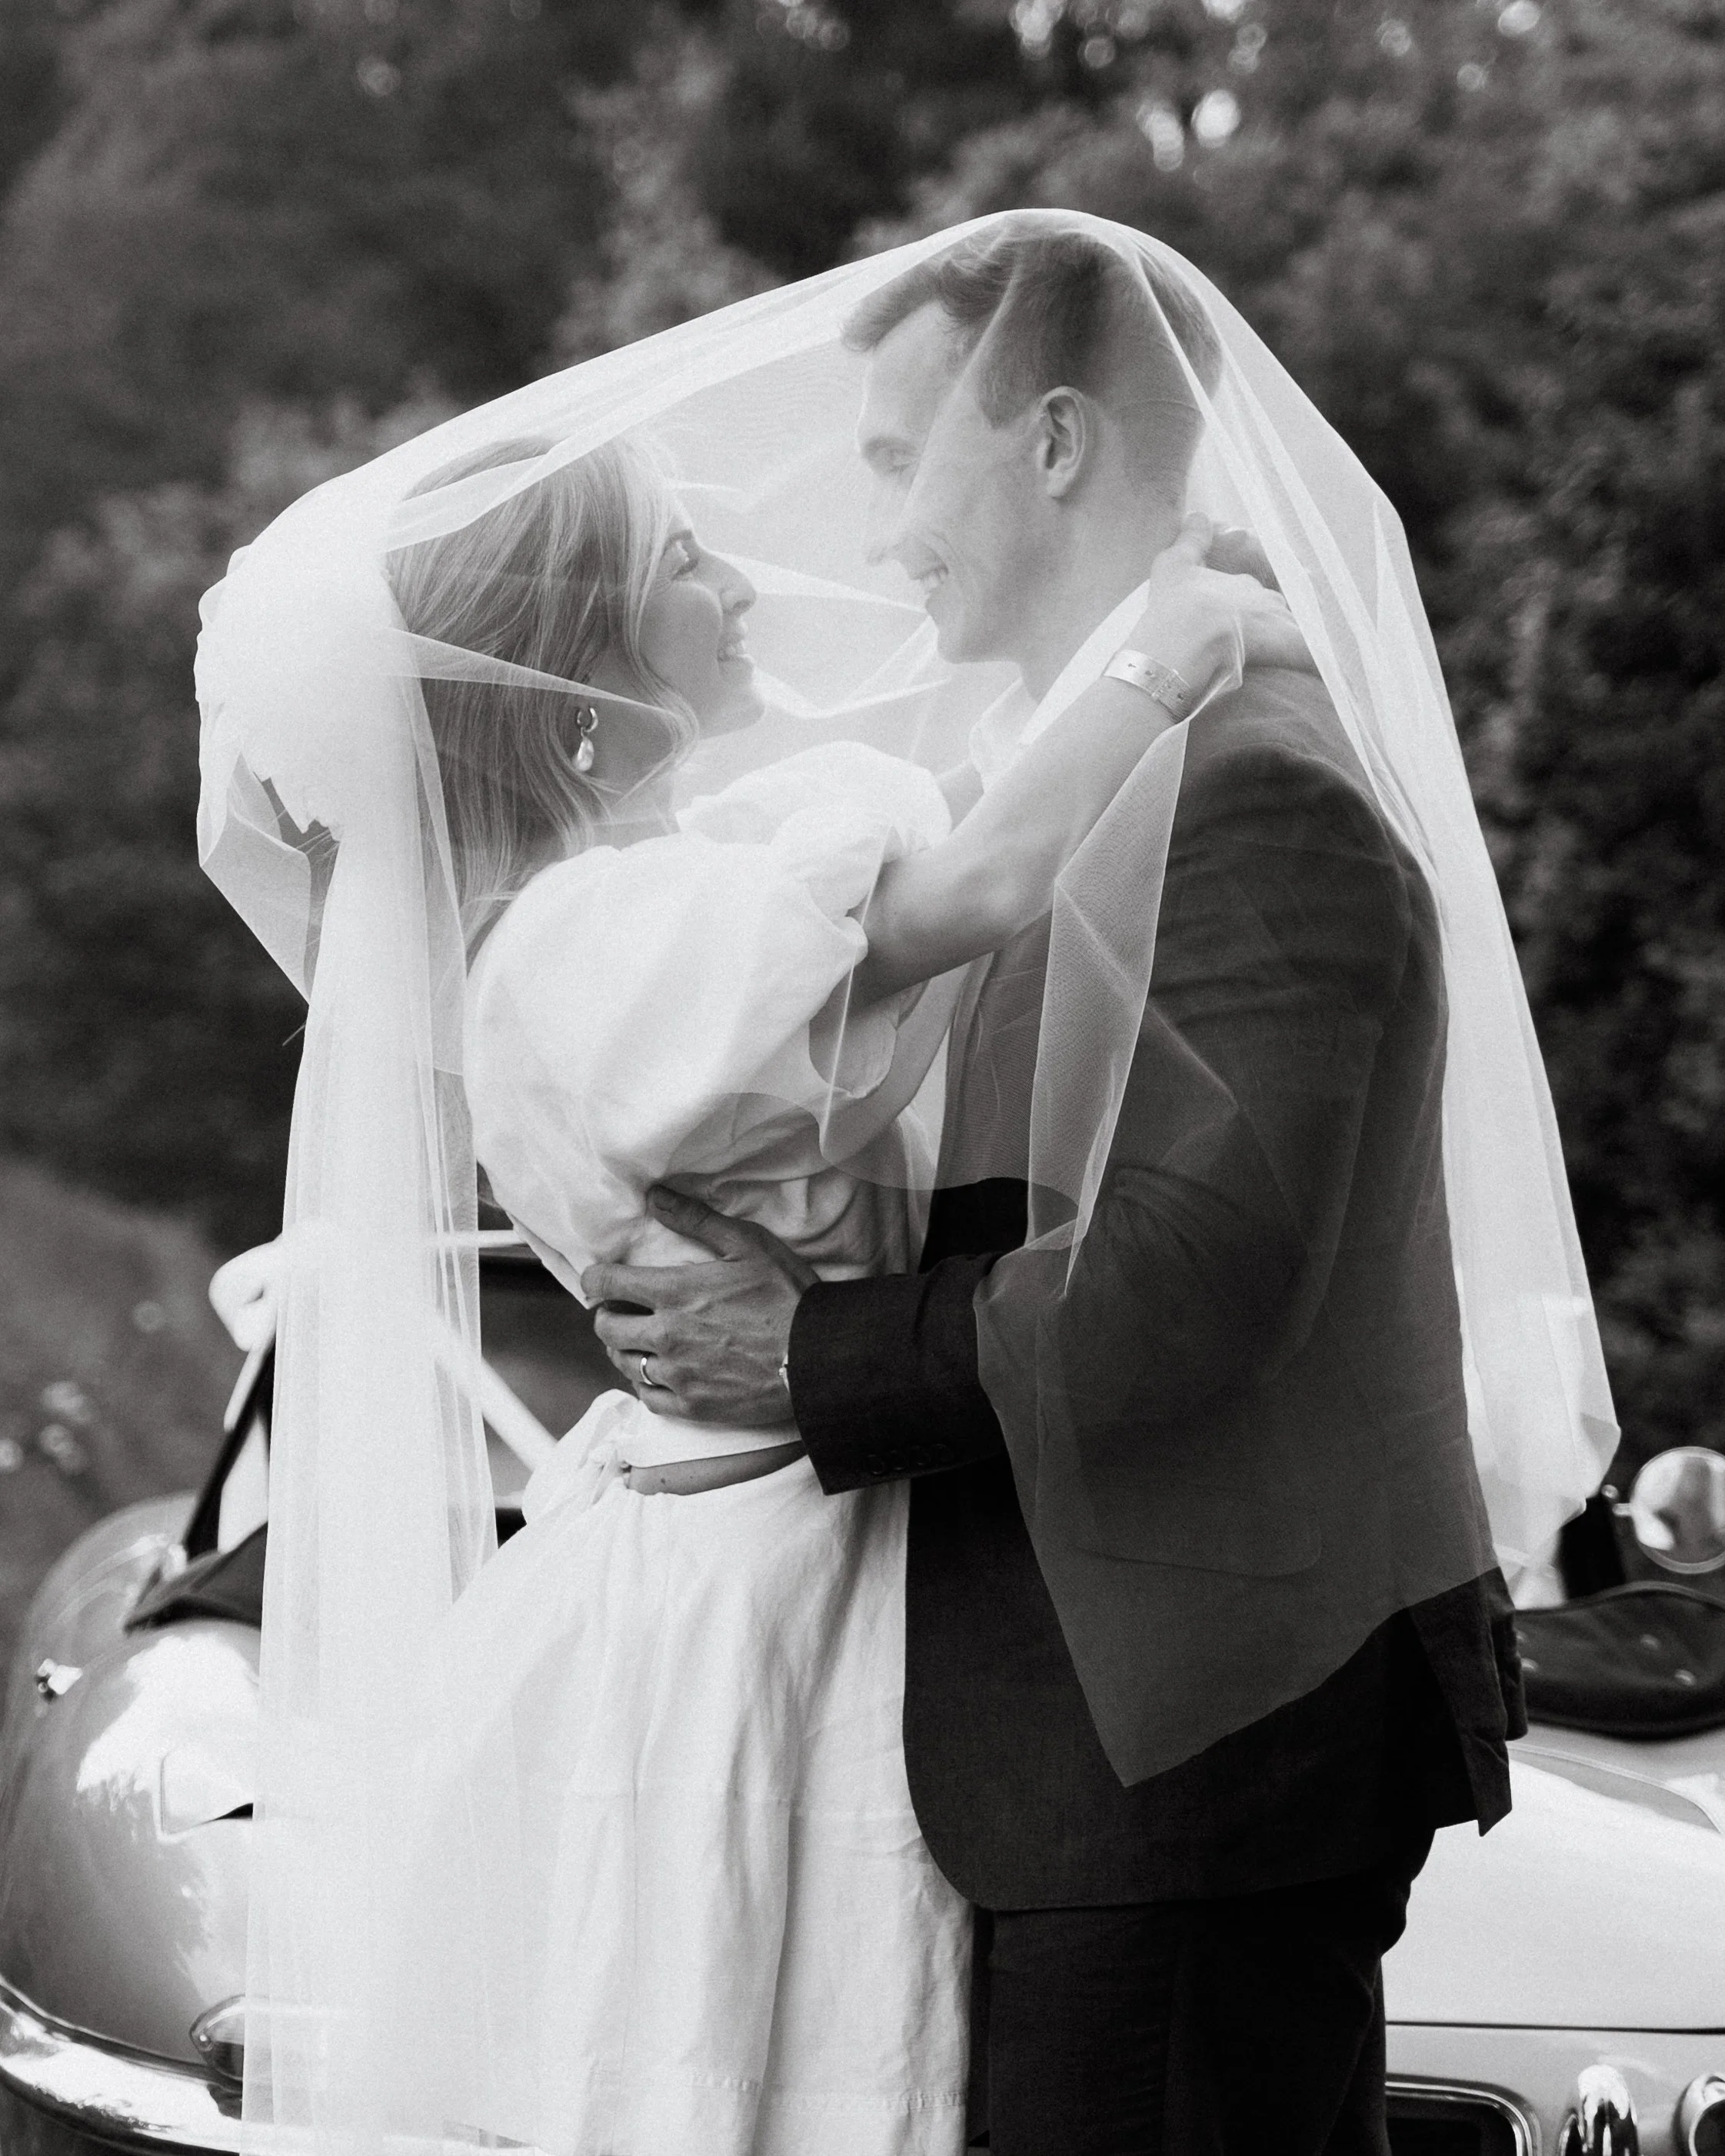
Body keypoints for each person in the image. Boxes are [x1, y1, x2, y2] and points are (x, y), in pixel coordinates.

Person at [576, 225, 1610, 2154]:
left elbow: (1188, 1278)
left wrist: (798, 1354)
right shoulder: (1063, 777)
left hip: (1194, 1752)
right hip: (1088, 1748)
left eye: (899, 462)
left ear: (1052, 441)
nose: (880, 535)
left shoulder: (1251, 783)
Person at [200, 414, 1296, 2154]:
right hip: (749, 1573)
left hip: (766, 1512)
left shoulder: (625, 903)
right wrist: (1173, 634)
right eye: (681, 568)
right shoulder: (592, 941)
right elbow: (983, 882)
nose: (735, 583)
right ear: (579, 663)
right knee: (748, 2052)